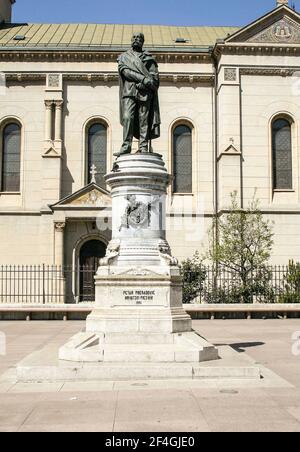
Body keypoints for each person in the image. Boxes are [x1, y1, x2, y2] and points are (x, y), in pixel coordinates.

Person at [115, 33, 161, 157]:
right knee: (127, 117)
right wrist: (143, 79)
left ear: (143, 41)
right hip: (129, 92)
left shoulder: (149, 58)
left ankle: (143, 146)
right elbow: (125, 71)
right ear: (131, 40)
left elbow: (154, 78)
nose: (136, 40)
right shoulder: (124, 57)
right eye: (134, 38)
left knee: (144, 120)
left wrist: (146, 83)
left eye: (139, 38)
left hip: (144, 93)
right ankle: (126, 146)